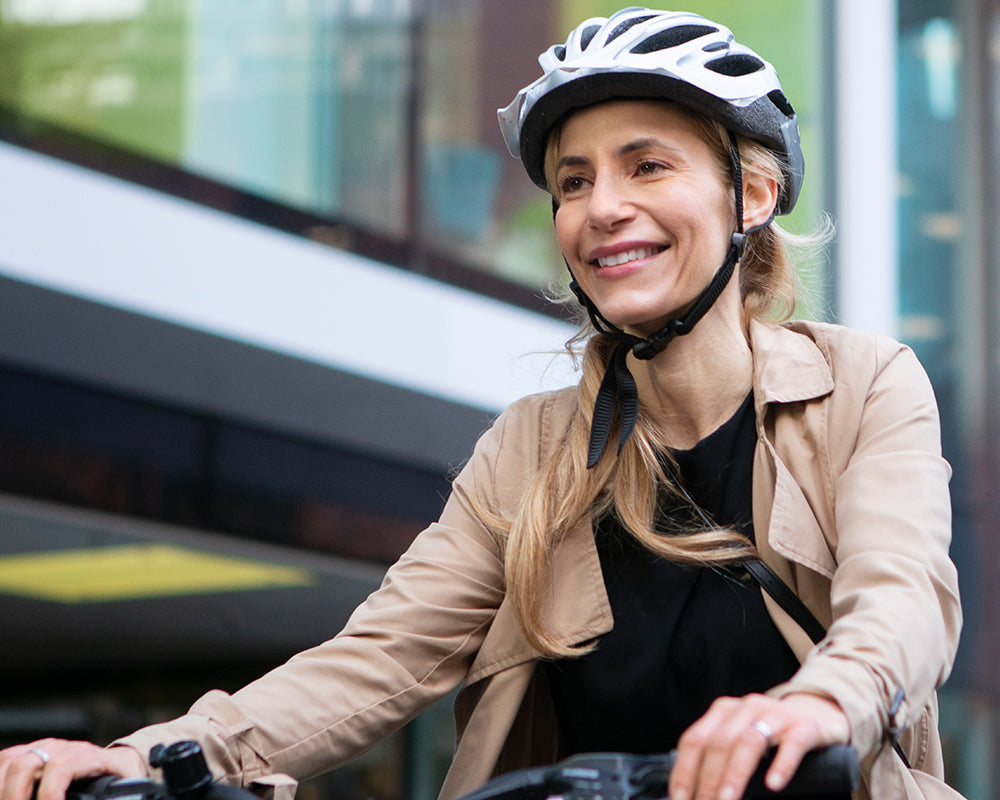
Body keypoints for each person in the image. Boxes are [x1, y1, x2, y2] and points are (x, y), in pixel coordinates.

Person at [0, 8, 963, 800]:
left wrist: (822, 704)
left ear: (752, 194)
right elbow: (375, 659)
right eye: (572, 182)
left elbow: (900, 599)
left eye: (648, 165)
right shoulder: (528, 449)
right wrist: (157, 752)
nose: (601, 207)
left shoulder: (865, 385)